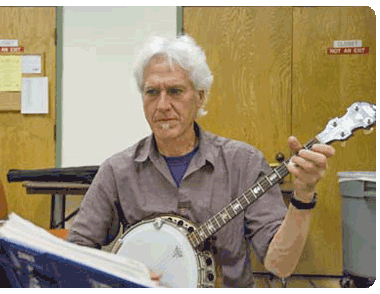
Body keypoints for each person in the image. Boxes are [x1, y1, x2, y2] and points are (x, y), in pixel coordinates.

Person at [67, 34, 335, 288]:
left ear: (200, 97)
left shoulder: (244, 163)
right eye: (151, 92)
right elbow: (75, 252)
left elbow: (280, 265)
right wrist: (124, 274)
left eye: (175, 91)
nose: (161, 105)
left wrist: (303, 195)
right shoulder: (117, 170)